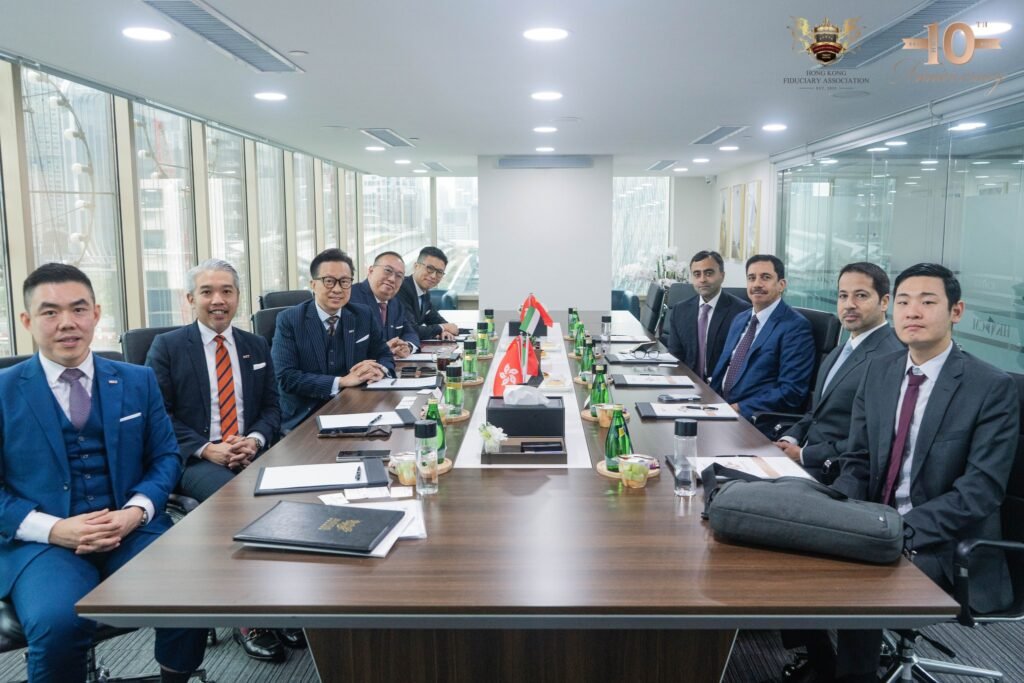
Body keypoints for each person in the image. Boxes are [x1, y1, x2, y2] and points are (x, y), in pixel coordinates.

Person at [784, 263, 1019, 683]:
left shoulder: (990, 387)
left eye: (928, 302)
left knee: (862, 584)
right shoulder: (879, 371)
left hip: (944, 543)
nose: (913, 311)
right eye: (905, 302)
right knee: (793, 545)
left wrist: (898, 530)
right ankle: (821, 660)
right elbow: (858, 459)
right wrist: (841, 512)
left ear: (956, 311)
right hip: (875, 521)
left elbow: (980, 491)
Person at [0, 263, 206, 682]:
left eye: (78, 309)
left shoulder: (138, 380)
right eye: (50, 312)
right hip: (42, 543)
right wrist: (54, 529)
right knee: (59, 622)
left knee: (192, 591)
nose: (67, 323)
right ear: (27, 321)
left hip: (130, 528)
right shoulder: (3, 390)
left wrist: (136, 511)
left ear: (95, 313)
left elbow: (166, 457)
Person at [145, 259, 294, 662]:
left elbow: (272, 406)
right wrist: (206, 449)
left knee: (300, 495)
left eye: (227, 291)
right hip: (195, 460)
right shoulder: (168, 347)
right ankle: (247, 616)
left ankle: (283, 602)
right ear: (190, 299)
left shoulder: (255, 345)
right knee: (240, 501)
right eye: (207, 292)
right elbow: (158, 416)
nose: (218, 300)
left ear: (237, 297)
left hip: (249, 450)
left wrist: (255, 440)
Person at [775, 262, 904, 481]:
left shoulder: (889, 358)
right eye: (843, 296)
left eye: (861, 296)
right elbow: (816, 414)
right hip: (801, 459)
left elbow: (870, 440)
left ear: (884, 302)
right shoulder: (840, 350)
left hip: (832, 471)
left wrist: (804, 455)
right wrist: (790, 439)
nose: (849, 304)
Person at [272, 248, 395, 432]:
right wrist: (341, 382)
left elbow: (384, 355)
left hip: (356, 409)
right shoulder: (289, 320)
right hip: (306, 418)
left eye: (344, 282)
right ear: (313, 284)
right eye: (329, 281)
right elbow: (286, 377)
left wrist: (379, 370)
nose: (337, 289)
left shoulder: (363, 315)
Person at [710, 255, 815, 426]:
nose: (757, 284)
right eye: (751, 278)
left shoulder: (795, 327)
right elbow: (723, 369)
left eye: (765, 277)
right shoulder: (740, 319)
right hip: (720, 409)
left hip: (753, 420)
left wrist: (739, 408)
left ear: (781, 285)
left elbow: (792, 391)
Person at [664, 250, 750, 383]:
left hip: (722, 387)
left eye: (709, 273)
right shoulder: (680, 310)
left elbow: (741, 361)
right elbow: (675, 356)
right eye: (697, 274)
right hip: (687, 383)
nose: (702, 279)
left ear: (722, 275)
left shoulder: (742, 312)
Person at [350, 251, 421, 358]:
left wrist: (407, 346)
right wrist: (383, 349)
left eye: (399, 276)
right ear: (371, 271)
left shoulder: (396, 303)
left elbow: (410, 332)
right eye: (388, 270)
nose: (392, 279)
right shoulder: (351, 298)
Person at [397, 246, 460, 341]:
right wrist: (442, 328)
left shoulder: (424, 292)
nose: (433, 276)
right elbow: (410, 330)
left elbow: (434, 319)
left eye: (439, 272)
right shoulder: (401, 288)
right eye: (430, 268)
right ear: (416, 266)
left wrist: (445, 330)